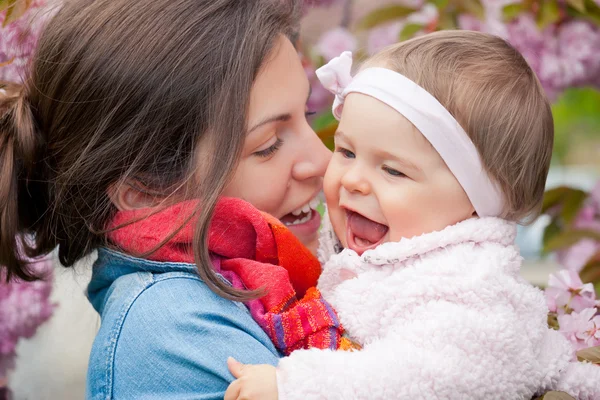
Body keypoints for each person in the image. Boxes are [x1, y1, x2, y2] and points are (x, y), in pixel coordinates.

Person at [224, 31, 600, 400]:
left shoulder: (470, 290)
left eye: (393, 170)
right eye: (347, 151)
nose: (353, 180)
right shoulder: (379, 254)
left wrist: (294, 387)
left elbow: (422, 379)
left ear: (474, 202)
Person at [0, 0, 332, 398]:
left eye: (308, 115)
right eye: (268, 145)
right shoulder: (176, 331)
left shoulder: (276, 274)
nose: (323, 161)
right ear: (142, 191)